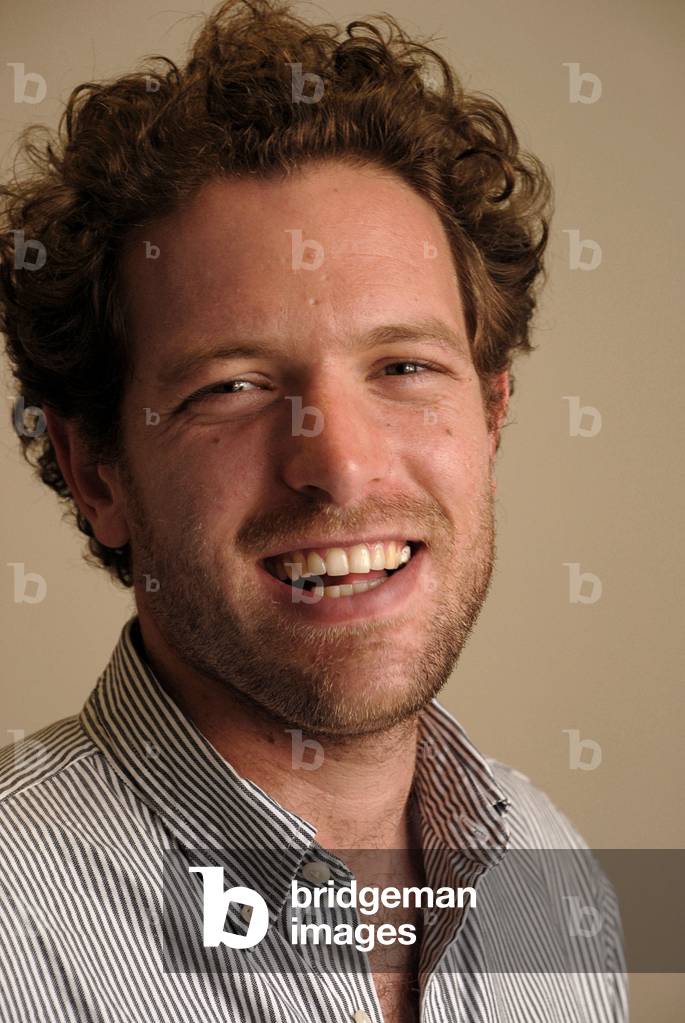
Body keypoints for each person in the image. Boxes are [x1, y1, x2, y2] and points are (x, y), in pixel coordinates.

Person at [0, 1, 627, 1020]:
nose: (337, 465)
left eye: (403, 367)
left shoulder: (555, 882)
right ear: (95, 473)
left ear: (492, 415)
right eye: (232, 388)